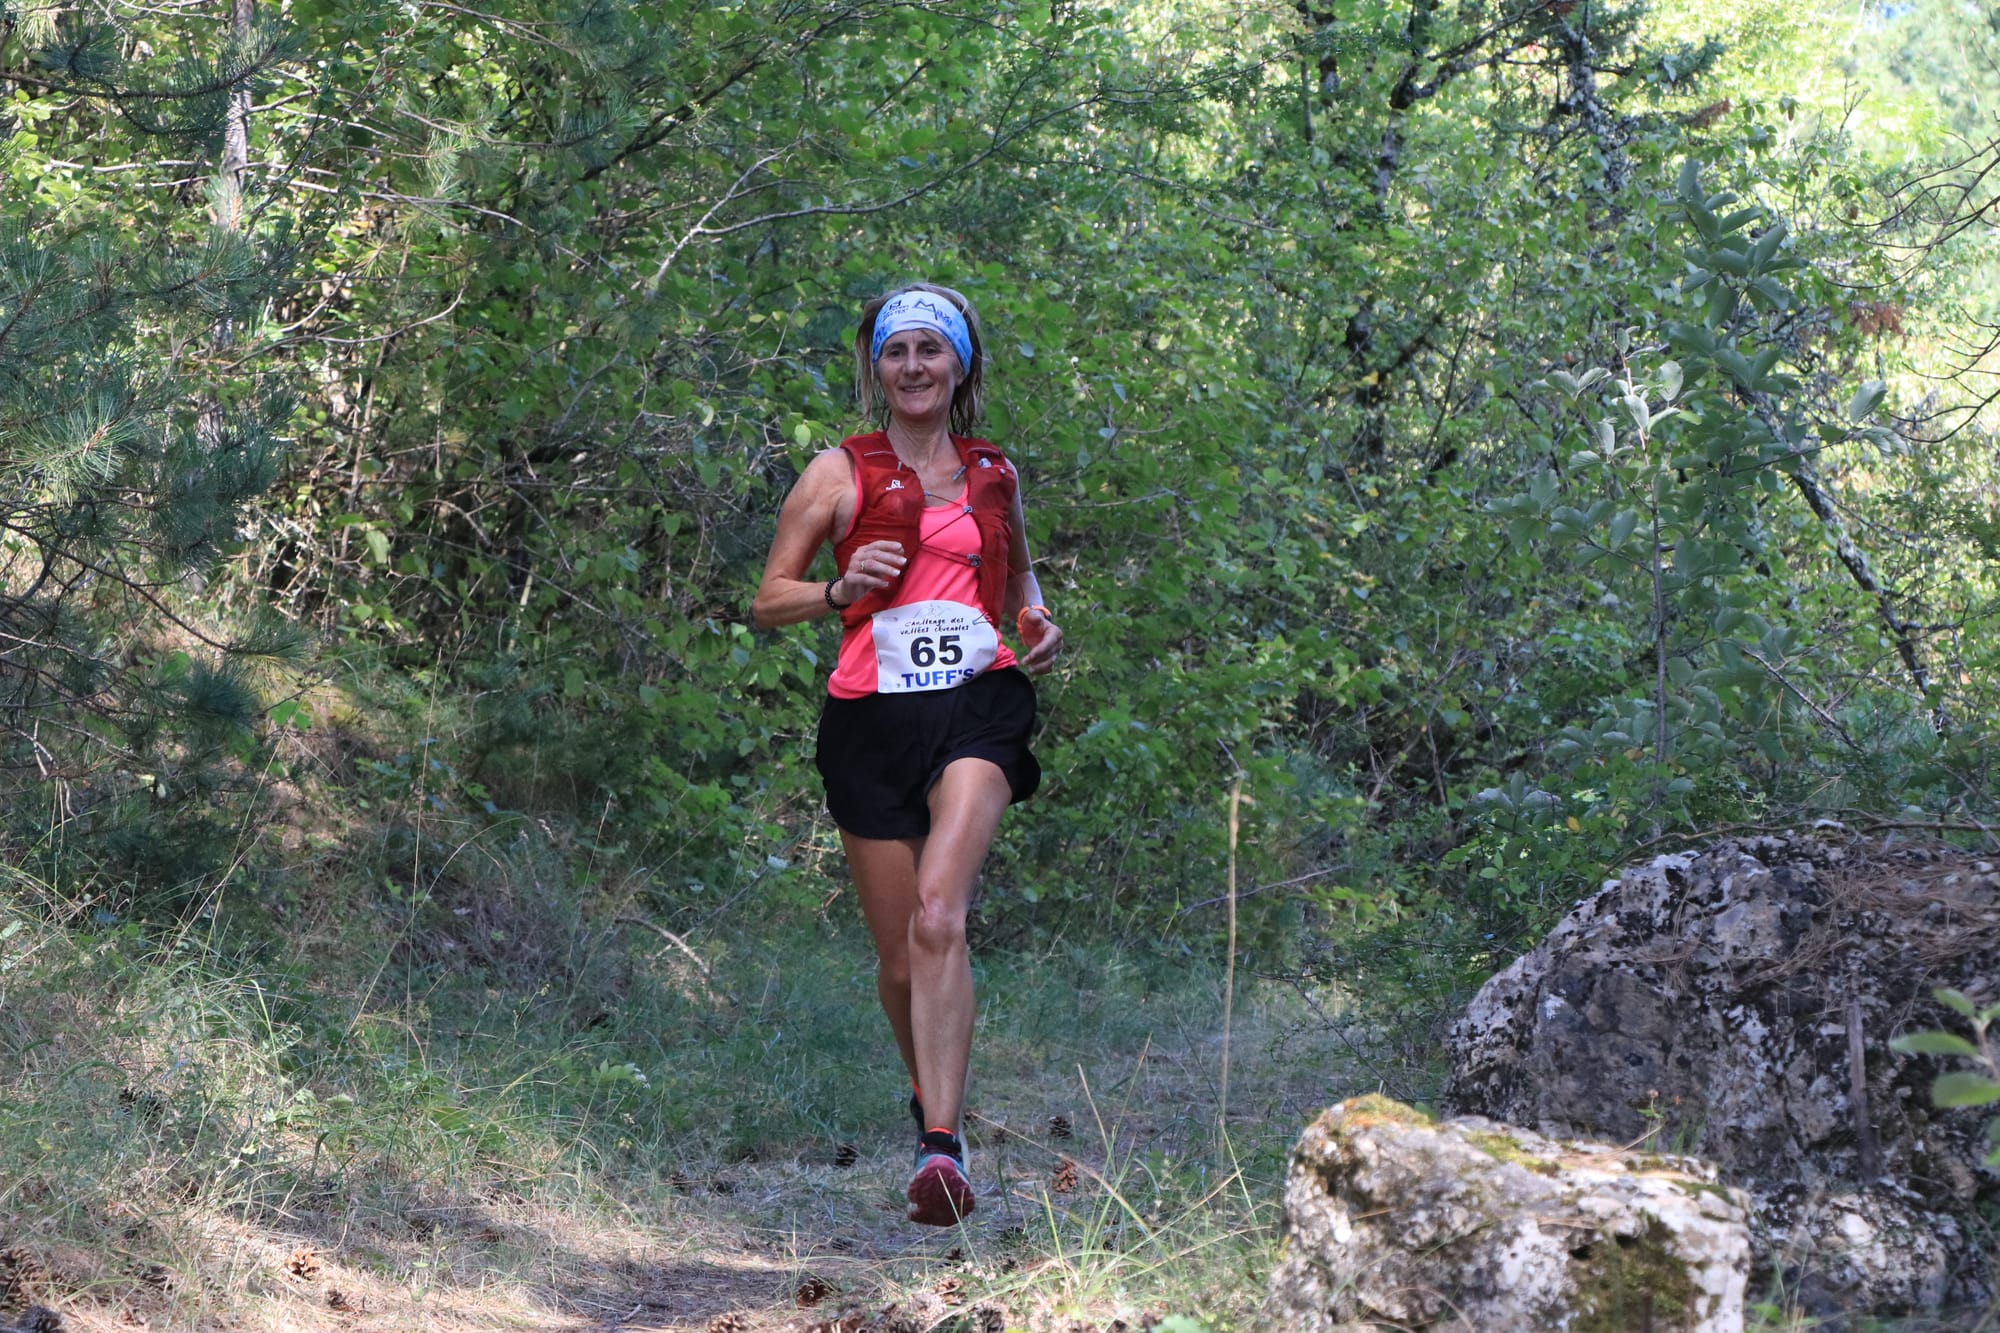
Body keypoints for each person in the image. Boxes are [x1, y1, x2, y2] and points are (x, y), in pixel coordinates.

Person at [751, 284, 1062, 1226]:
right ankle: (933, 1096)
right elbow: (768, 599)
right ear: (877, 367)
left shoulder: (994, 470)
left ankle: (940, 1146)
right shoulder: (837, 472)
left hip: (978, 704)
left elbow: (1020, 573)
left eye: (933, 349)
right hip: (871, 716)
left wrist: (1036, 620)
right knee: (899, 960)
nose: (915, 366)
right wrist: (838, 587)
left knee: (938, 914)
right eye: (898, 351)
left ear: (959, 364)